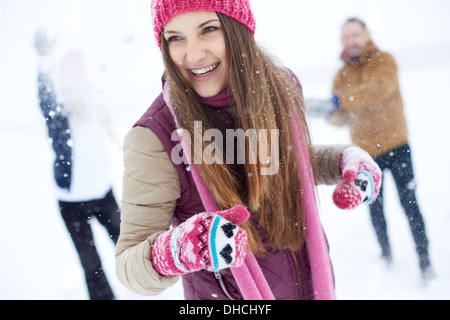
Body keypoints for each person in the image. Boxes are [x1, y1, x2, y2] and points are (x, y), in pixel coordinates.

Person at [115, 0, 382, 300]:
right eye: (175, 37)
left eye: (209, 30)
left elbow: (280, 162)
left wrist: (341, 161)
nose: (193, 54)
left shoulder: (280, 88)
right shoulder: (154, 136)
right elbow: (129, 264)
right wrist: (177, 251)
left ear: (238, 27)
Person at [328, 18, 432, 280]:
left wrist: (343, 100)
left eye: (355, 34)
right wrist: (329, 111)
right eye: (346, 36)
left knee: (410, 204)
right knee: (374, 207)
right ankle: (386, 255)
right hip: (365, 154)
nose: (351, 40)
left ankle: (425, 260)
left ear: (366, 35)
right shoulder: (341, 75)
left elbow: (377, 90)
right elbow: (341, 117)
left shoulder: (384, 61)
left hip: (397, 145)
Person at [34, 30, 121, 300]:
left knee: (126, 244)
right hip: (72, 202)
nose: (76, 79)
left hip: (104, 194)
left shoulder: (96, 106)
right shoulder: (60, 117)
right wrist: (44, 63)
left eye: (79, 73)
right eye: (69, 75)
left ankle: (151, 284)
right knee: (90, 262)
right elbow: (45, 98)